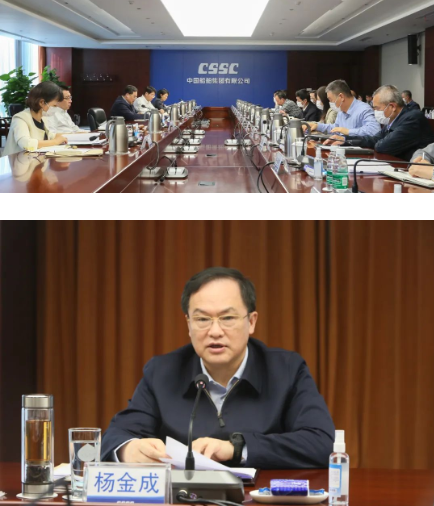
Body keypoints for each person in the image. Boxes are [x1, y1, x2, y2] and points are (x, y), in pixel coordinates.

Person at [101, 267, 335, 469]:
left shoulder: (286, 370)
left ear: (251, 321)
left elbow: (321, 443)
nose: (215, 331)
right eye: (202, 319)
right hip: (184, 498)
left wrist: (236, 448)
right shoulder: (162, 372)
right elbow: (116, 436)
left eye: (227, 318)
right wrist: (128, 450)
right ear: (189, 324)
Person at [327, 85, 434, 161]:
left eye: (377, 108)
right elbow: (374, 139)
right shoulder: (393, 119)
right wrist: (345, 140)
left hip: (413, 171)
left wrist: (378, 142)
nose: (375, 112)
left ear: (392, 106)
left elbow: (383, 146)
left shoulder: (413, 118)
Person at [3, 81, 67, 156]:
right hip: (18, 161)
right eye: (54, 105)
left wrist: (63, 136)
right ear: (42, 102)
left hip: (35, 159)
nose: (56, 109)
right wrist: (56, 141)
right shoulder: (20, 118)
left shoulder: (43, 118)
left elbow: (48, 135)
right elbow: (26, 143)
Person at [310, 79, 380, 139]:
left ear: (341, 97)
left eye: (330, 99)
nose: (330, 103)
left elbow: (374, 130)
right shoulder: (341, 111)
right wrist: (317, 126)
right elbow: (336, 128)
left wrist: (348, 131)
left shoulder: (364, 109)